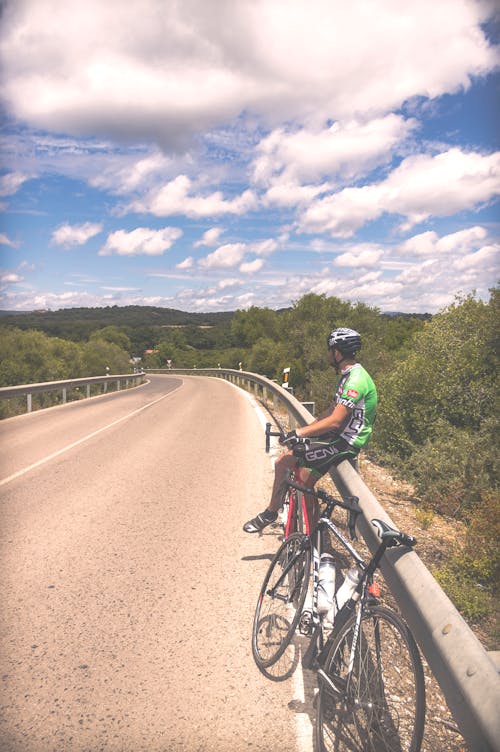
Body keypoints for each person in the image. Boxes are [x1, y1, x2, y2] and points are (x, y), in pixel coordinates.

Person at [243, 327, 377, 533]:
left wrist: (299, 433)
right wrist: (308, 429)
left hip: (347, 441)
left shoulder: (356, 380)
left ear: (338, 352)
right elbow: (332, 411)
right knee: (283, 462)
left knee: (304, 480)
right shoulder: (346, 375)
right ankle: (272, 512)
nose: (327, 354)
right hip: (337, 435)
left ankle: (313, 537)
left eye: (329, 350)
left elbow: (335, 421)